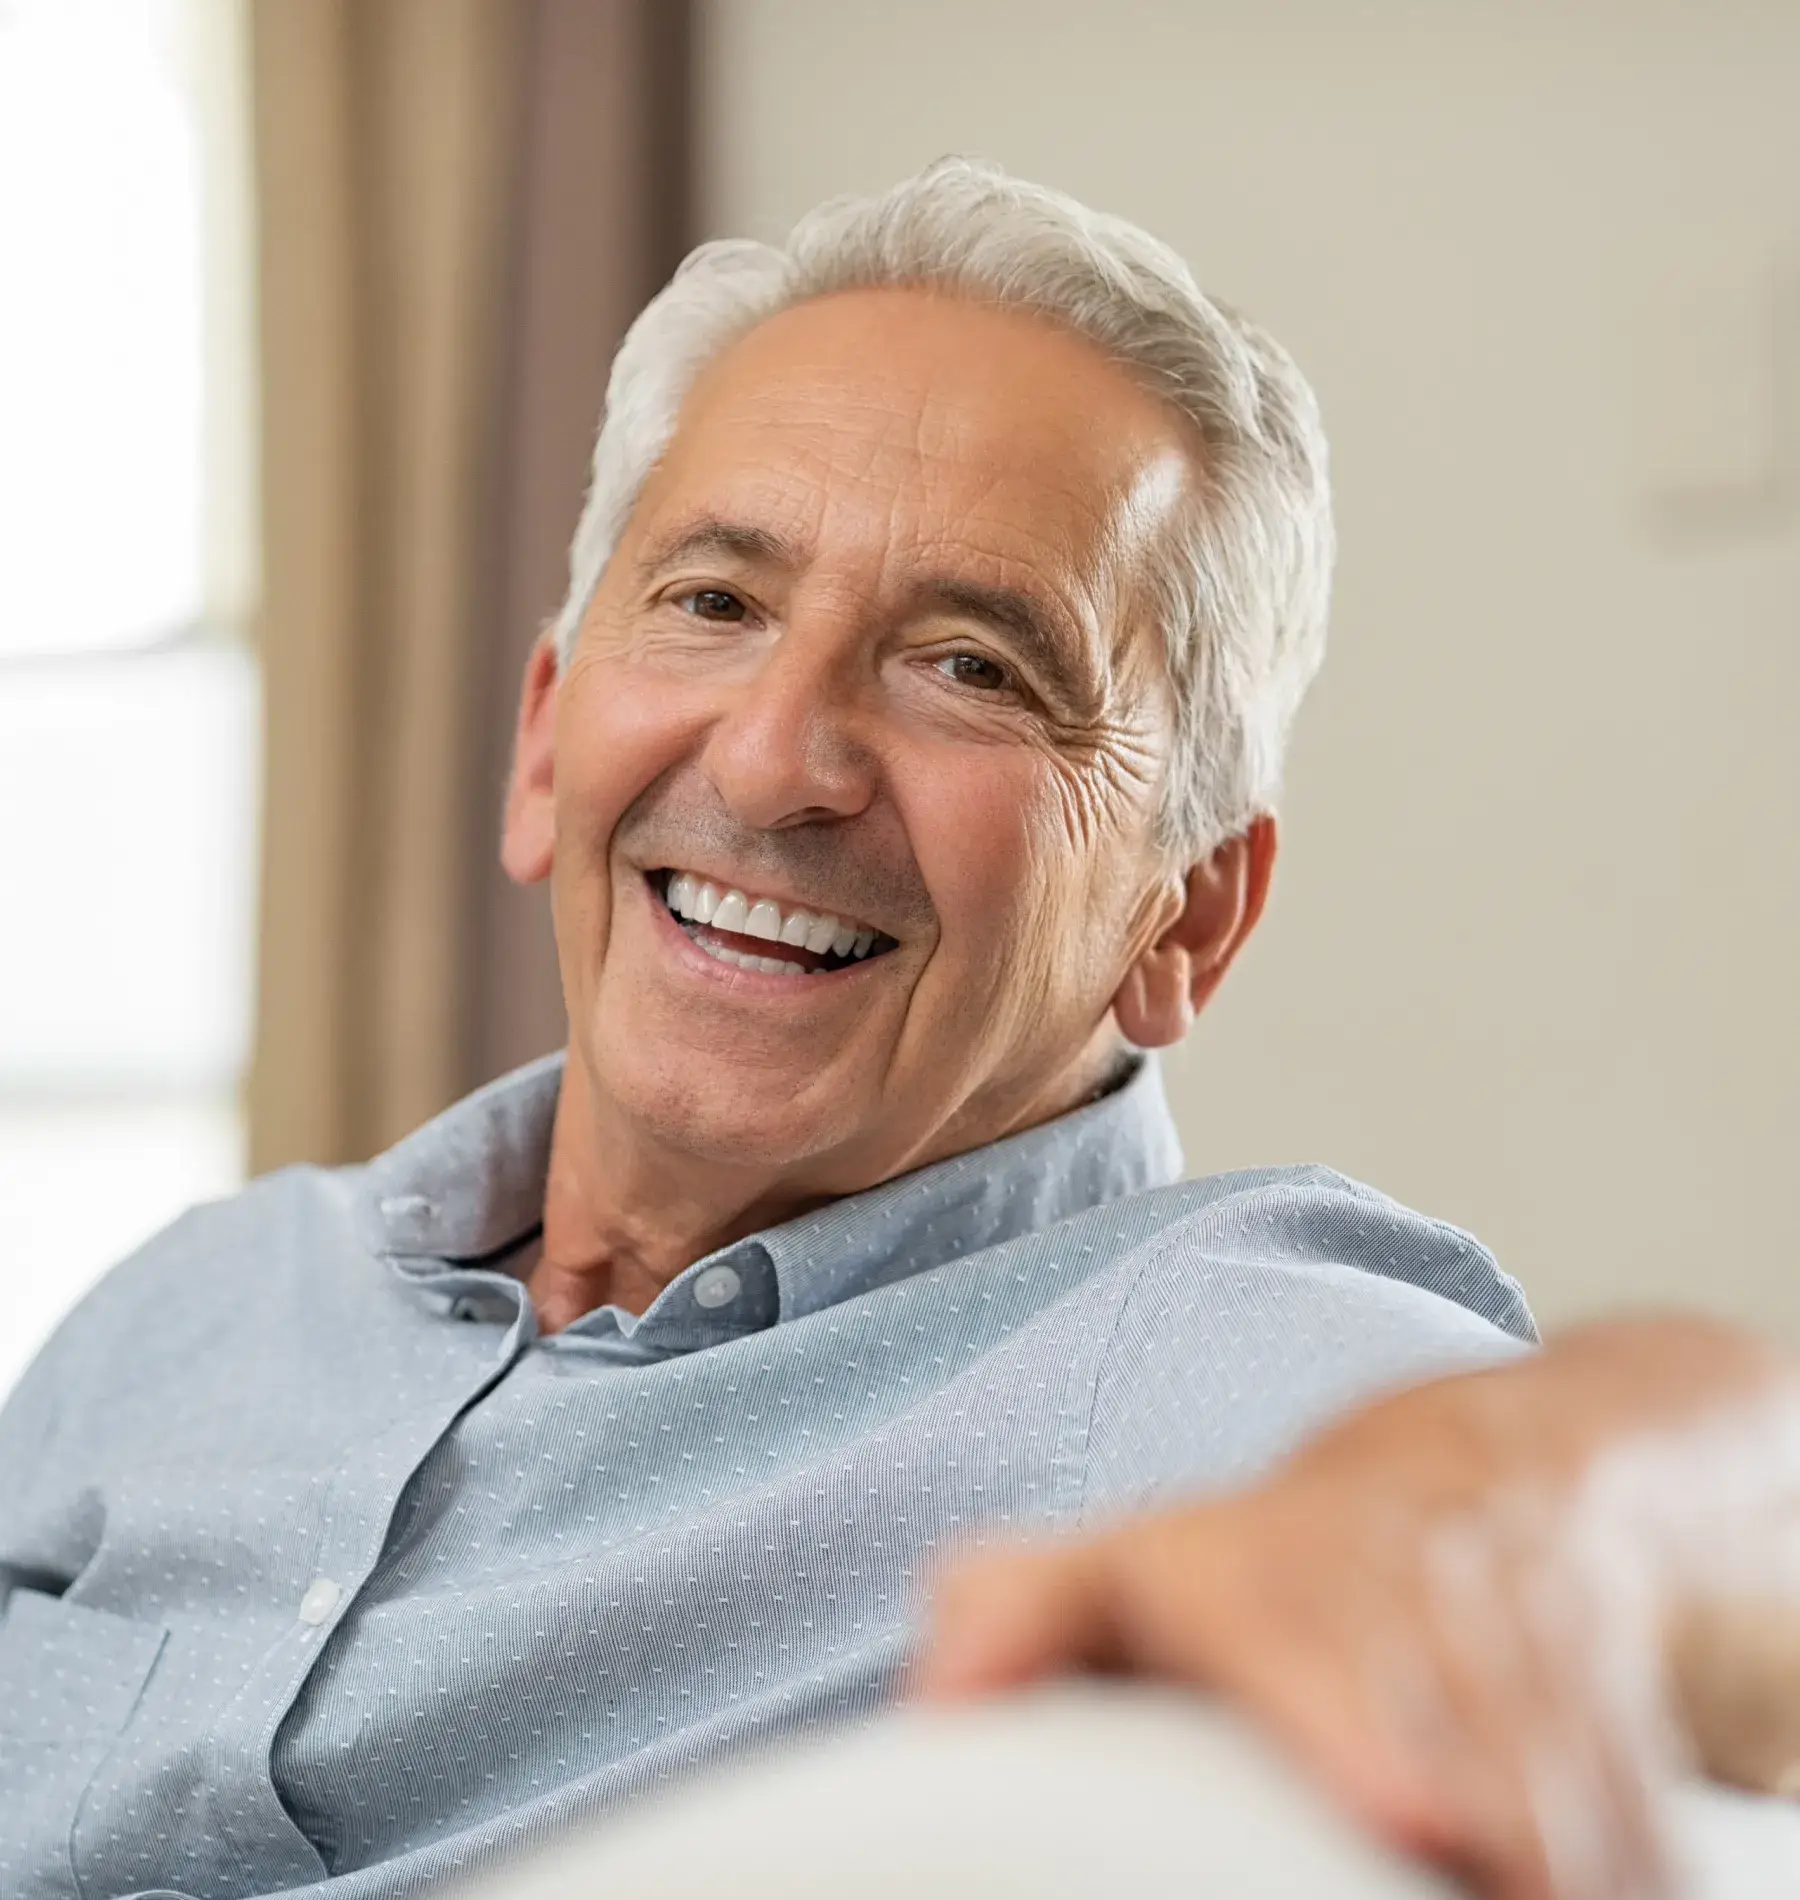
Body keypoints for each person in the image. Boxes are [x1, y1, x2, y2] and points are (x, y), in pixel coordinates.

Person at [1, 160, 1796, 1900]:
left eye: (974, 667)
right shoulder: (206, 1296)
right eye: (715, 603)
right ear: (547, 741)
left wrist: (1496, 1513)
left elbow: (1743, 1502)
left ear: (1185, 917)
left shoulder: (1172, 1351)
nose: (780, 760)